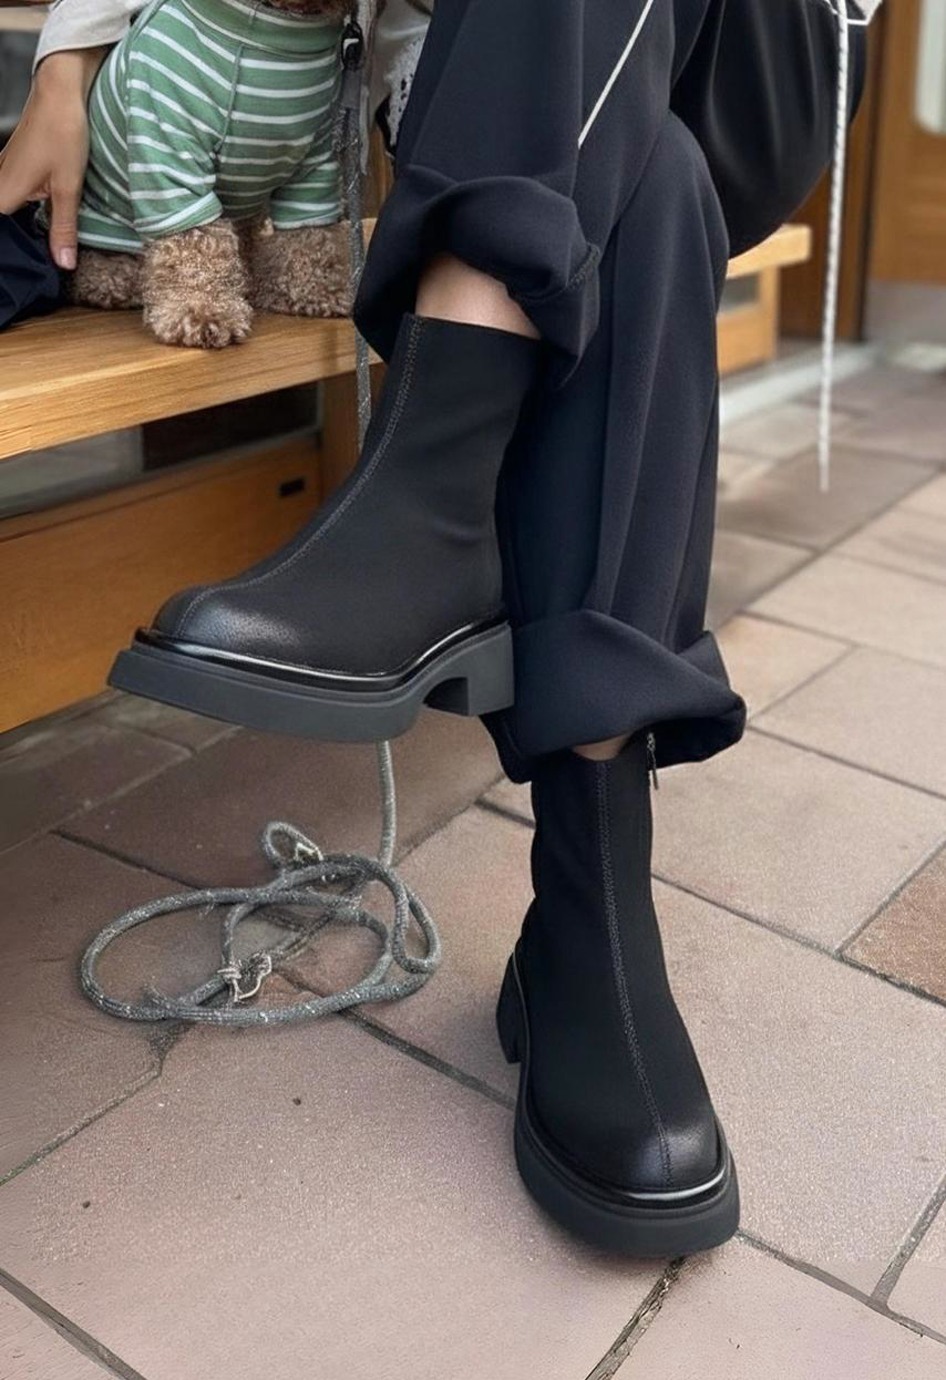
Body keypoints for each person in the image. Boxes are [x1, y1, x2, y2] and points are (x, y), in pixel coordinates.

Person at [0, 0, 876, 1256]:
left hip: (750, 61)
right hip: (508, 89)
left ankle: (429, 506)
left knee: (655, 153)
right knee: (651, 184)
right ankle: (588, 917)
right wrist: (74, 53)